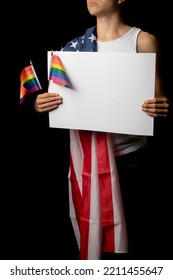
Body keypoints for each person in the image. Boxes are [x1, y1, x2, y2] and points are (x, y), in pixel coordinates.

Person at [33, 0, 170, 260]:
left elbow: (159, 99)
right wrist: (41, 104)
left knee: (132, 244)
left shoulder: (142, 41)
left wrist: (161, 106)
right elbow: (60, 101)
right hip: (86, 163)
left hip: (131, 160)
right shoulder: (72, 49)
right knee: (92, 234)